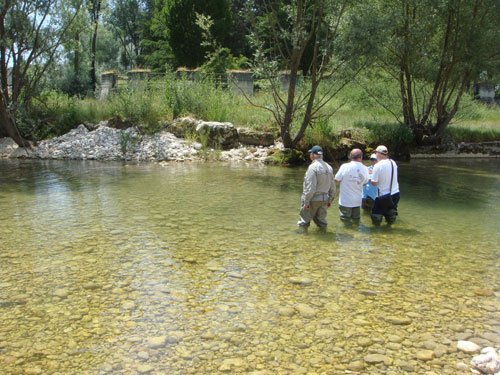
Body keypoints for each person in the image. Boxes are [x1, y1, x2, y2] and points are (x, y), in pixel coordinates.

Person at [297, 145, 336, 233]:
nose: (310, 155)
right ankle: (324, 237)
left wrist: (306, 202)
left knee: (303, 222)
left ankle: (302, 241)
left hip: (313, 199)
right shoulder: (329, 167)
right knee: (321, 222)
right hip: (324, 199)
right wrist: (330, 200)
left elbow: (311, 188)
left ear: (313, 155)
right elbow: (333, 187)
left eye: (311, 153)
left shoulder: (313, 167)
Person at [334, 148, 370, 226]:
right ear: (361, 157)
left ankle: (348, 235)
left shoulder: (344, 166)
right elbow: (366, 182)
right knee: (356, 221)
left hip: (345, 201)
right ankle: (356, 236)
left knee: (345, 222)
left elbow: (336, 179)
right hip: (357, 201)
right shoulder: (365, 168)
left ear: (350, 156)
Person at [370, 145, 400, 226]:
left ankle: (377, 234)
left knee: (376, 216)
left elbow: (374, 183)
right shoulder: (393, 162)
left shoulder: (377, 166)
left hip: (383, 196)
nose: (375, 154)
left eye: (376, 152)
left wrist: (370, 178)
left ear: (379, 154)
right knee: (391, 214)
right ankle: (389, 229)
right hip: (396, 193)